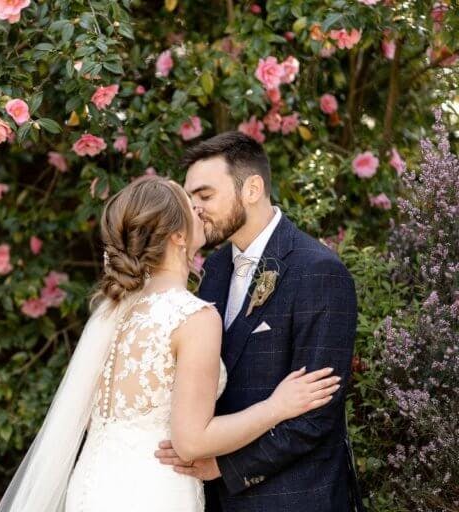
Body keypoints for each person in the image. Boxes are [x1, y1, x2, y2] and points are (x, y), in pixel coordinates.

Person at [0, 173, 342, 512]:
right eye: (192, 207)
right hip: (154, 491)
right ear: (178, 236)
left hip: (92, 488)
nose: (201, 211)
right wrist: (276, 407)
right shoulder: (193, 318)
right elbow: (191, 442)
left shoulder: (112, 310)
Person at [153, 131, 362, 512]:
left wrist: (224, 467)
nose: (194, 209)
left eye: (205, 196)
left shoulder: (319, 272)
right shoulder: (214, 269)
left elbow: (316, 417)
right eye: (190, 199)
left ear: (251, 189)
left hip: (294, 499)